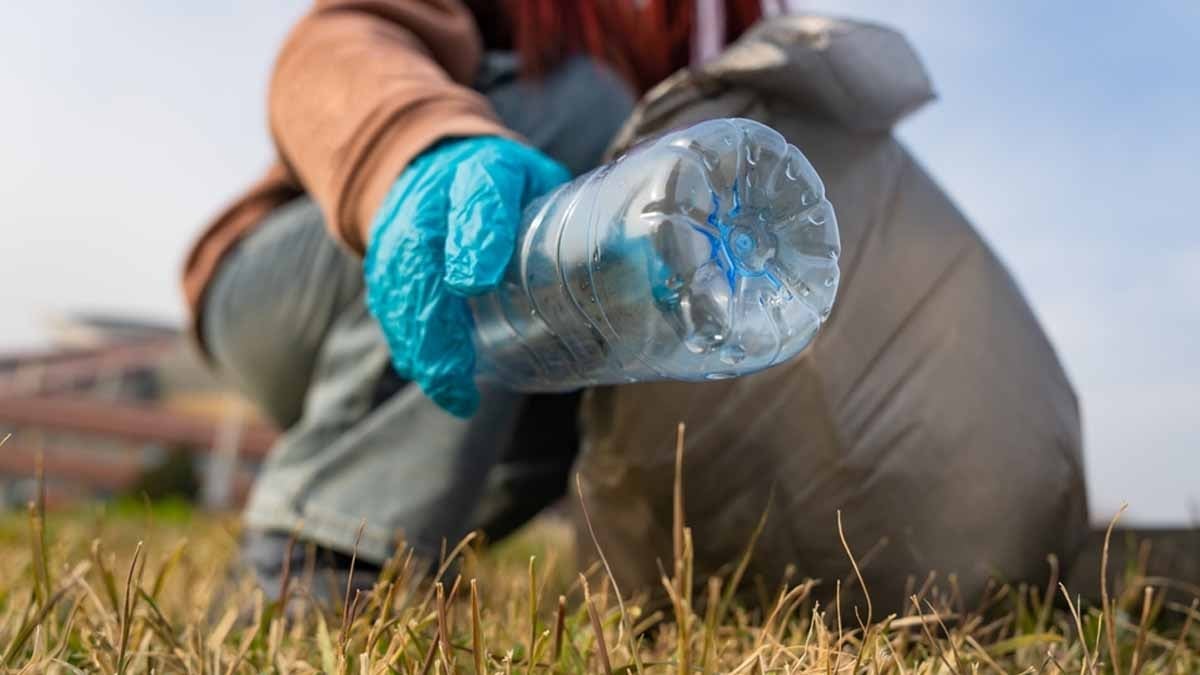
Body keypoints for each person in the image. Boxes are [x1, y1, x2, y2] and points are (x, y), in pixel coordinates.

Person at [185, 0, 1089, 612]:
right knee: (591, 111)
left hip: (498, 349)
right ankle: (318, 556)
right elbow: (339, 39)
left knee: (662, 334)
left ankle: (422, 538)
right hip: (312, 269)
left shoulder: (734, 28)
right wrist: (418, 147)